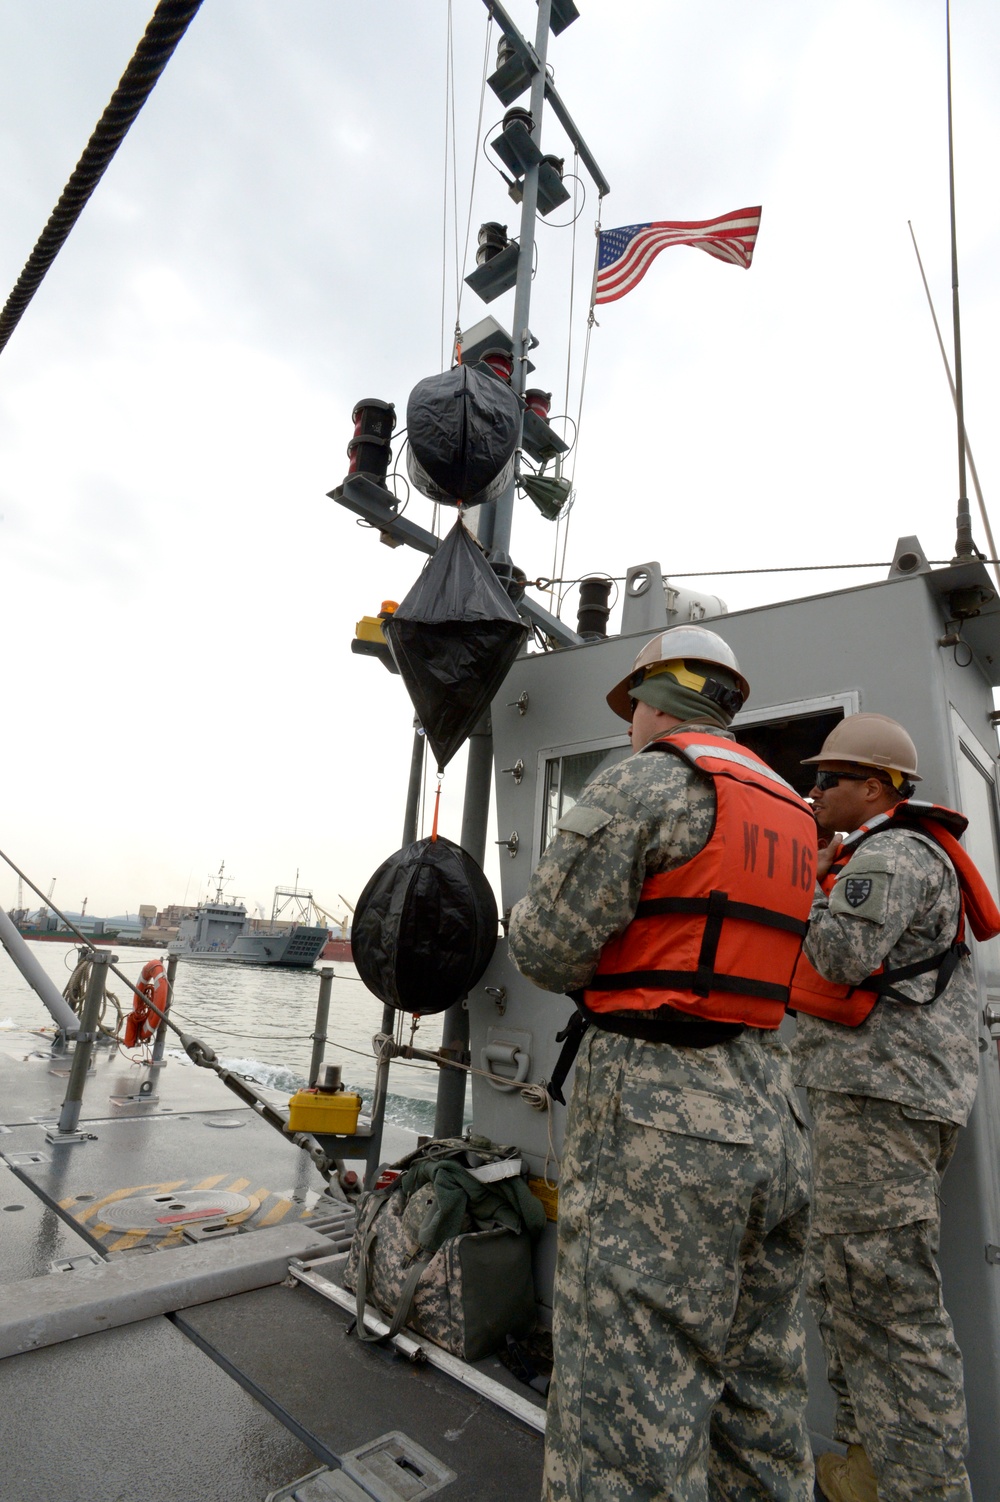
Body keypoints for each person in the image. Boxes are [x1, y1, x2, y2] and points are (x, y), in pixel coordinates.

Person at [508, 625, 818, 1502]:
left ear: (660, 699)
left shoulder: (646, 781)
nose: (630, 723)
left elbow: (546, 947)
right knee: (762, 1394)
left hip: (660, 1126)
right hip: (774, 1111)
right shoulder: (793, 809)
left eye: (632, 705)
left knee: (626, 1410)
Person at [790, 713, 1000, 1502]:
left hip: (882, 1103)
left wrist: (801, 882)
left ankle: (926, 1488)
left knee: (888, 1299)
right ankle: (865, 1467)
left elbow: (840, 954)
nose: (813, 792)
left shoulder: (890, 853)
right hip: (871, 1099)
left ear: (877, 788)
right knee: (844, 1283)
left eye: (828, 780)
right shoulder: (877, 853)